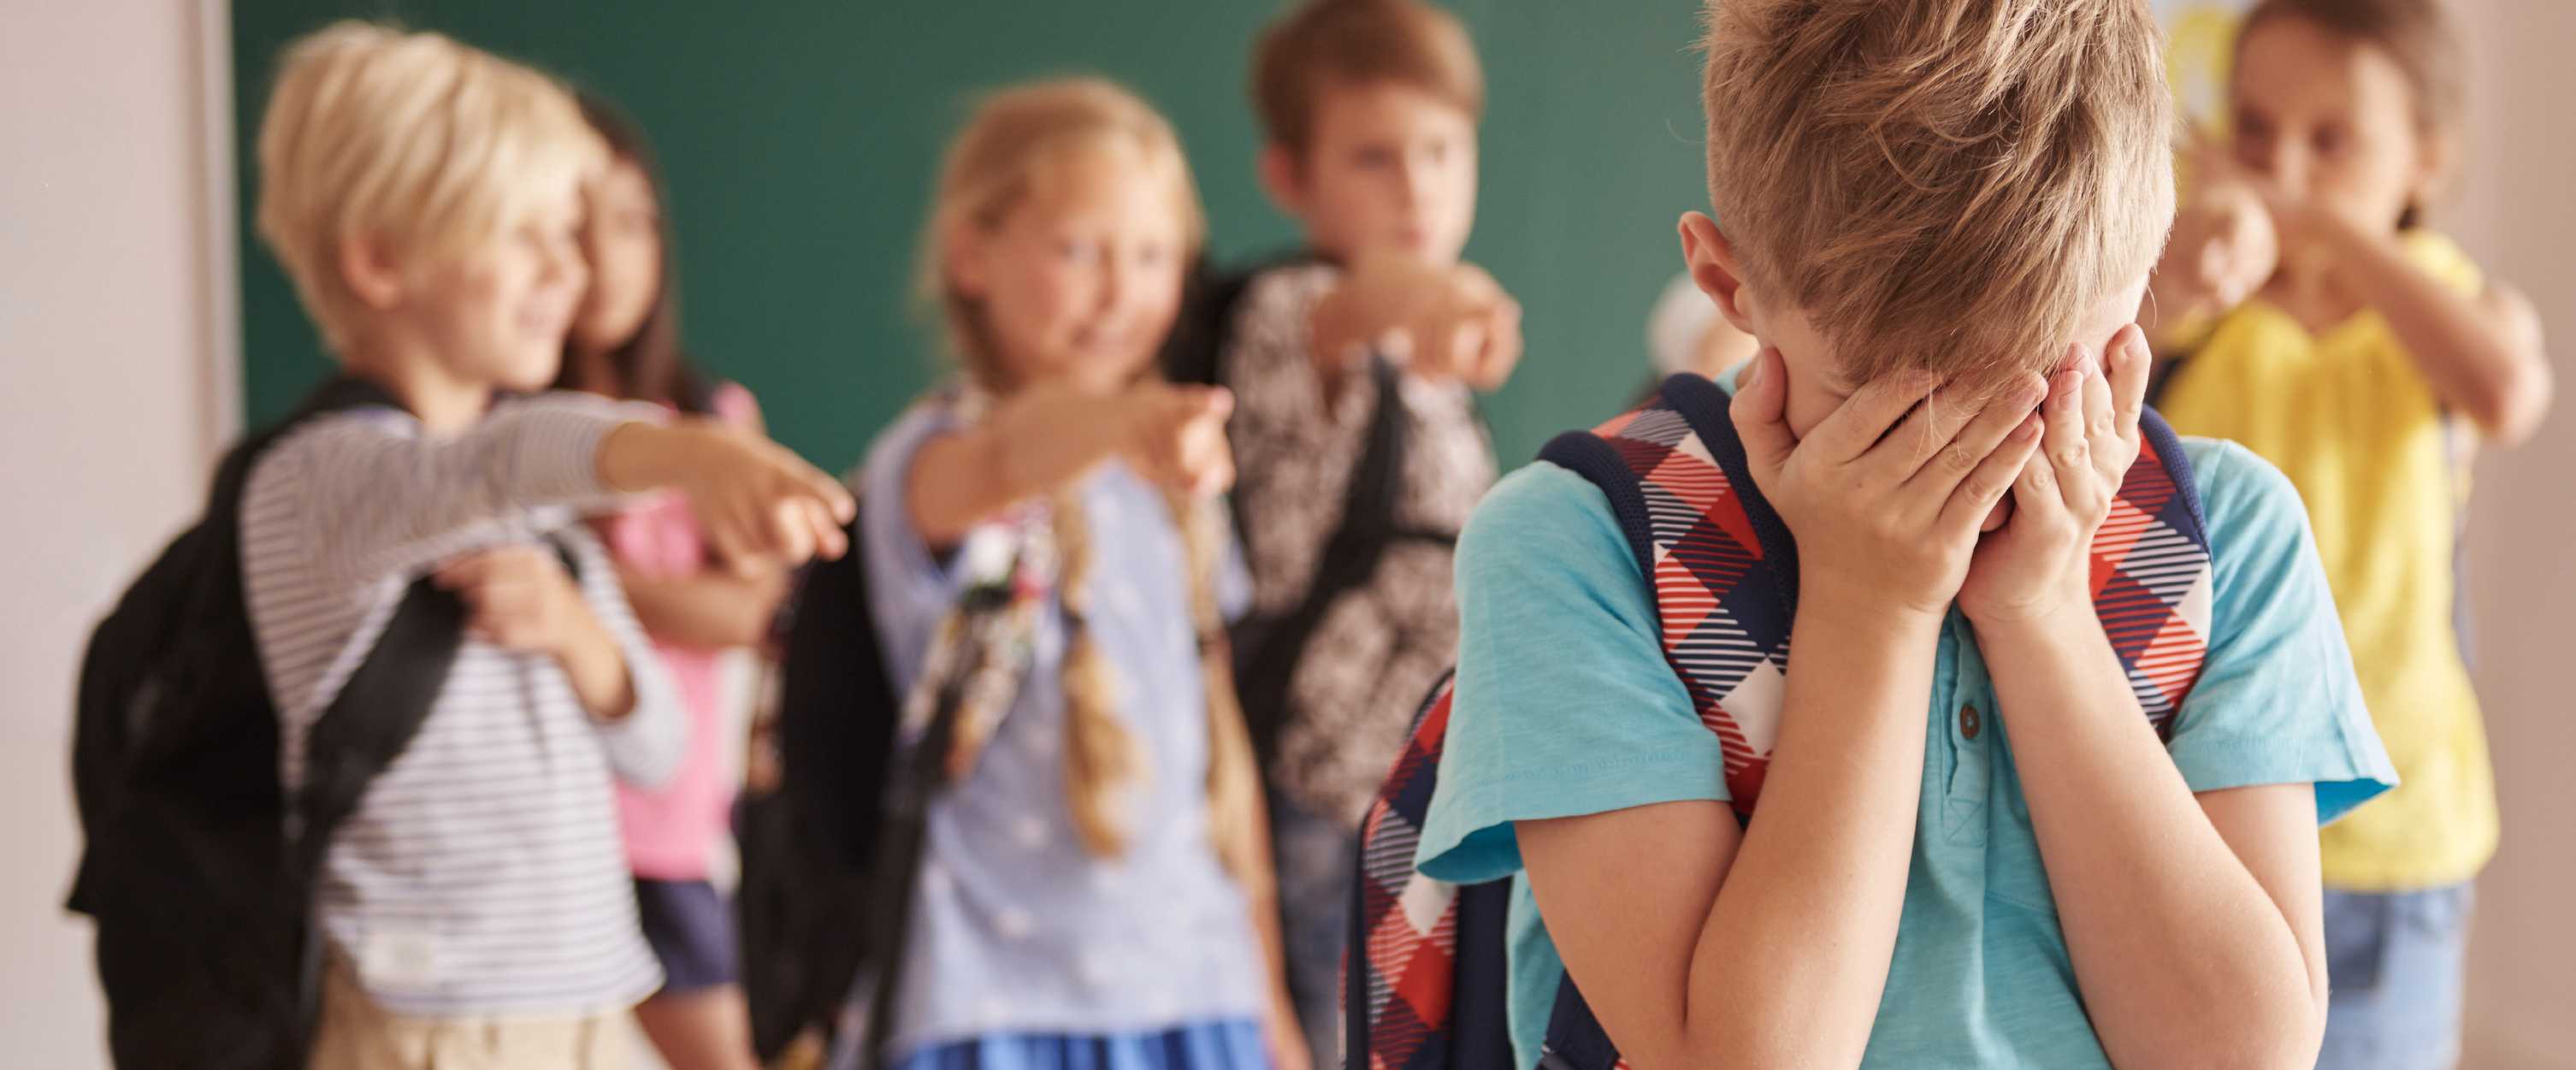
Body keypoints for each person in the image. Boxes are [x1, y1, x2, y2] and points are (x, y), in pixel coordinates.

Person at [1409, 0, 2401, 1066]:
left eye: (2036, 398)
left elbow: (2243, 1054)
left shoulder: (2232, 537)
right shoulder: (1576, 549)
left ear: (2142, 281)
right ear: (1728, 282)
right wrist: (1867, 608)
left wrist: (2045, 612)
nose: (1970, 471)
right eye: (1888, 406)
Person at [243, 22, 852, 1069]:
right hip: (427, 1016)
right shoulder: (324, 480)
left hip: (582, 1004)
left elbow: (659, 750)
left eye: (571, 235)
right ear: (381, 260)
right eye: (523, 233)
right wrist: (688, 452)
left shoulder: (534, 522)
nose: (568, 271)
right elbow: (492, 460)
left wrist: (583, 638)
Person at [833, 78, 1299, 1070]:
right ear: (973, 254)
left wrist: (1269, 997)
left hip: (1194, 991)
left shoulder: (1171, 490)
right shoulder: (934, 457)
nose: (1121, 291)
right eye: (1079, 249)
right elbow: (1018, 453)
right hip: (987, 999)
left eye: (1152, 255)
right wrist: (1129, 422)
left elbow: (1220, 747)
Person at [2147, 1, 2554, 1064]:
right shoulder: (2200, 315)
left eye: (2332, 141)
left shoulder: (2445, 309)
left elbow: (2508, 391)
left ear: (2423, 161)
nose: (2285, 163)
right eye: (2255, 128)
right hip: (2203, 822)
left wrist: (2326, 229)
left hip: (2398, 842)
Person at [1166, 4, 1522, 1058]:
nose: (1415, 187)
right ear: (1292, 179)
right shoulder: (1294, 311)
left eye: (1441, 150)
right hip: (1324, 804)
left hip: (1427, 807)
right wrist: (1434, 293)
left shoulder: (1436, 382)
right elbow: (1361, 295)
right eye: (1373, 158)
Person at [554, 93, 775, 1070]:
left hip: (670, 829)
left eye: (635, 222)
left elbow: (745, 608)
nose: (608, 256)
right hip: (536, 829)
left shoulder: (711, 420)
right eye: (575, 222)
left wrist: (575, 589)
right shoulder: (490, 436)